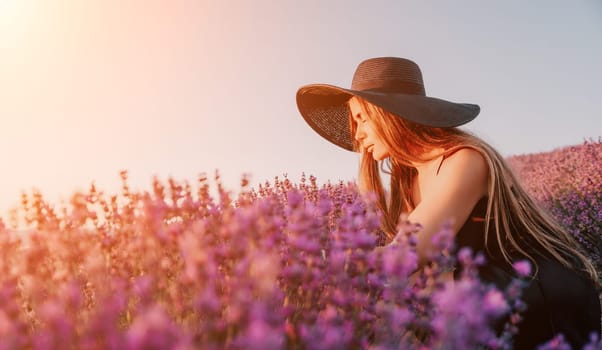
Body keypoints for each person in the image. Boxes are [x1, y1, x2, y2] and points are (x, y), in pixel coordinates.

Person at [295, 57, 600, 349]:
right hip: (478, 290)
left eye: (361, 118)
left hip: (537, 289)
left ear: (389, 113)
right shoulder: (408, 180)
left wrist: (314, 263)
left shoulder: (465, 159)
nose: (357, 135)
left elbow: (406, 257)